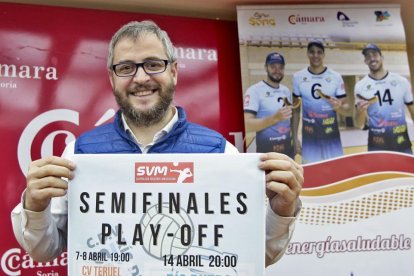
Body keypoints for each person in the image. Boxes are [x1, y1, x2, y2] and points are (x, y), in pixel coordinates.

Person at [11, 20, 303, 267]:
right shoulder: (79, 153)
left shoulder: (219, 153)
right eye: (126, 68)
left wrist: (282, 209)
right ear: (112, 78)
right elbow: (43, 250)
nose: (140, 78)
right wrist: (35, 206)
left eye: (153, 64)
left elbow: (254, 255)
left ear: (173, 72)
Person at [292, 40, 350, 163]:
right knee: (311, 175)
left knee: (336, 172)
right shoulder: (298, 77)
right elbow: (296, 109)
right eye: (312, 52)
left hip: (331, 136)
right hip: (309, 137)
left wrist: (339, 106)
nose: (315, 55)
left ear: (323, 55)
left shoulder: (335, 76)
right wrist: (294, 137)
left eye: (319, 52)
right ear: (307, 54)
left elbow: (346, 107)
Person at [354, 43, 414, 154]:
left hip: (402, 144)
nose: (371, 58)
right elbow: (359, 124)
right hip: (376, 147)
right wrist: (360, 111)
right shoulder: (360, 86)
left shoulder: (402, 81)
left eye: (374, 54)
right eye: (368, 56)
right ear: (365, 61)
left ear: (382, 57)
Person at [244, 52, 296, 159]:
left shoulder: (285, 90)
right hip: (267, 152)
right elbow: (247, 125)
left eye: (280, 67)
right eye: (273, 67)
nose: (277, 70)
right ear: (266, 68)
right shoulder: (254, 91)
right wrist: (274, 118)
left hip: (287, 150)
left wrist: (295, 139)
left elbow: (288, 120)